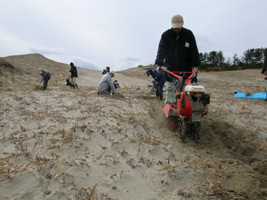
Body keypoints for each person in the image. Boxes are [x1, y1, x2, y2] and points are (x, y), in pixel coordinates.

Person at [155, 14, 201, 103]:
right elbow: (161, 50)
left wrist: (196, 64)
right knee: (170, 89)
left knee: (184, 92)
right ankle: (170, 109)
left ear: (182, 24)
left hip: (185, 70)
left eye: (178, 27)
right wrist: (159, 64)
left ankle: (184, 109)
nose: (177, 29)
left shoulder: (188, 35)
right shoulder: (166, 35)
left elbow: (194, 50)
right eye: (175, 27)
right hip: (171, 69)